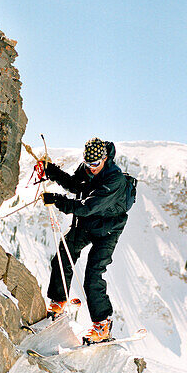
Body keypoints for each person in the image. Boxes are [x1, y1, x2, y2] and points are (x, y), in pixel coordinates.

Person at [41, 138, 133, 344]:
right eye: (87, 164)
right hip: (87, 224)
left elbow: (88, 206)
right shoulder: (87, 168)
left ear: (105, 158)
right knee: (64, 253)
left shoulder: (115, 180)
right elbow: (75, 185)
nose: (91, 169)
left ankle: (102, 325)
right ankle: (58, 300)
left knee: (93, 274)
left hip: (108, 230)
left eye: (95, 164)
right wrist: (52, 171)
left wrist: (58, 201)